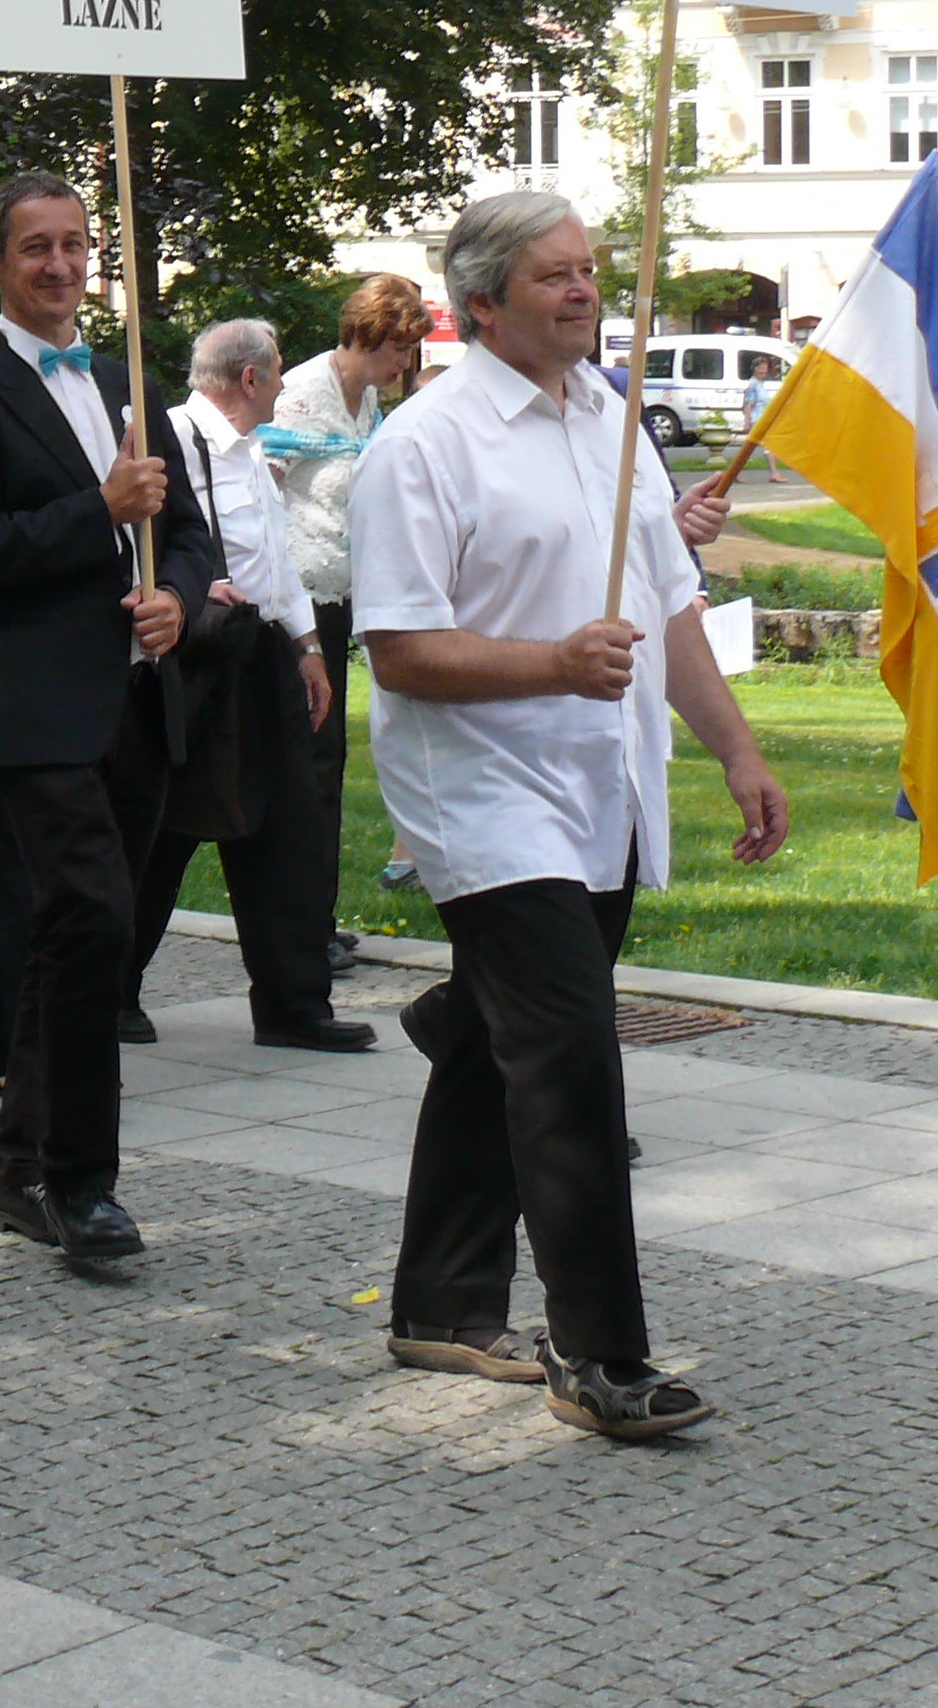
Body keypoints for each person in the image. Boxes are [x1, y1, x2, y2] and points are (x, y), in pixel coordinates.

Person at [353, 190, 789, 1442]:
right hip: (482, 794)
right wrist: (551, 662)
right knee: (568, 1057)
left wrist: (735, 750)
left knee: (502, 1042)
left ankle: (438, 1299)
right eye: (553, 277)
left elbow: (669, 610)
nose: (585, 292)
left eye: (588, 271)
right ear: (480, 300)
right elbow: (401, 647)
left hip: (603, 788)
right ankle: (599, 1351)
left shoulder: (611, 421)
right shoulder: (424, 443)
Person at [0, 170, 214, 1276]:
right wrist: (95, 514)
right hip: (34, 703)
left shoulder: (128, 379)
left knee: (75, 934)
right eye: (32, 247)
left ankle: (10, 1166)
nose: (56, 265)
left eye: (73, 245)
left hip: (137, 699)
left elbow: (186, 533)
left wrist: (176, 594)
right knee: (88, 914)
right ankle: (81, 1181)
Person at [126, 322, 372, 1050]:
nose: (284, 387)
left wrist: (307, 649)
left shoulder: (255, 451)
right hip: (194, 660)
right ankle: (112, 987)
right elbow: (138, 548)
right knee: (166, 829)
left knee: (288, 826)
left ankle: (294, 1005)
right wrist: (192, 587)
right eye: (276, 372)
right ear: (250, 380)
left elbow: (277, 555)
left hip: (262, 656)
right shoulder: (166, 440)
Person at [269, 274, 427, 963]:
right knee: (307, 759)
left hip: (344, 594)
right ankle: (296, 922)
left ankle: (314, 914)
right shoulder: (303, 392)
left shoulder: (366, 402)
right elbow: (259, 489)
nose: (405, 365)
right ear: (369, 335)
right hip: (297, 602)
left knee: (328, 761)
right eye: (398, 348)